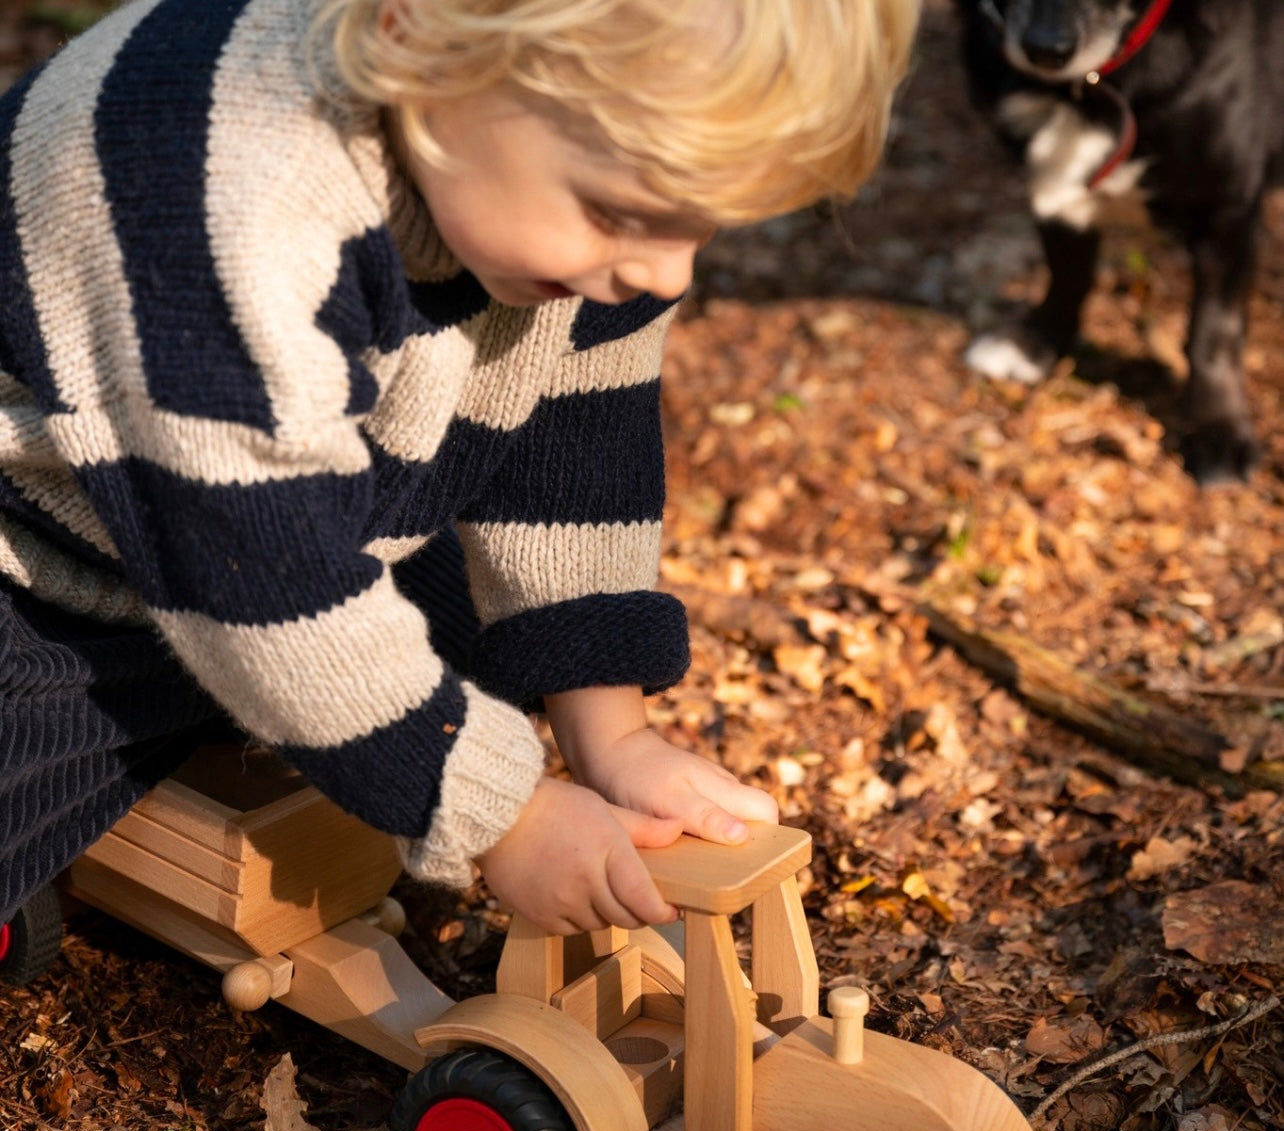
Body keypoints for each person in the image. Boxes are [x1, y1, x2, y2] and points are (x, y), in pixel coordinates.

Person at [0, 0, 919, 936]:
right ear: (416, 42)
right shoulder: (226, 185)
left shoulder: (566, 227)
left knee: (487, 644)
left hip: (289, 517)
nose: (668, 274)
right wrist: (503, 813)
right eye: (620, 213)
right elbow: (255, 564)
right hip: (46, 561)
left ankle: (292, 716)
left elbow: (577, 450)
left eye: (703, 229)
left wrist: (612, 732)